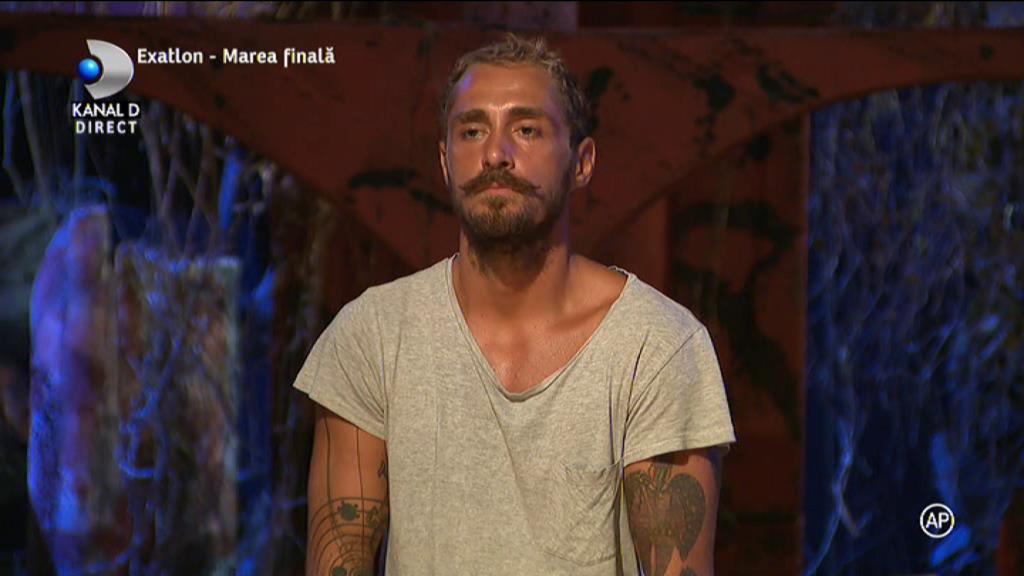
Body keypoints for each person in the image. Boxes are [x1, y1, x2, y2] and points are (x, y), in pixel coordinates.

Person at [295, 33, 736, 576]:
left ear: (582, 162)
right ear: (445, 162)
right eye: (472, 131)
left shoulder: (656, 345)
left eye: (526, 130)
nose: (495, 155)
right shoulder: (373, 336)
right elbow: (338, 559)